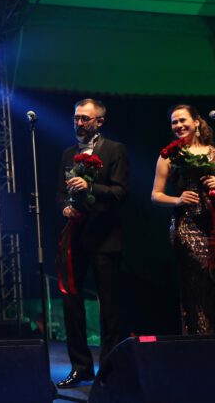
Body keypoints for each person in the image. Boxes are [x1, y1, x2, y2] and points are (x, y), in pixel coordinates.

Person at [151, 104, 215, 335]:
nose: (178, 125)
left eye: (182, 120)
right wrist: (177, 200)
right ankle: (201, 338)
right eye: (174, 122)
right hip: (188, 225)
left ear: (196, 122)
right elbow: (155, 195)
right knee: (197, 283)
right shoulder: (168, 155)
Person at [55, 99, 128, 389]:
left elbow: (121, 192)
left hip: (105, 237)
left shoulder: (114, 150)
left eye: (85, 118)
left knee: (109, 305)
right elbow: (60, 193)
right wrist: (65, 207)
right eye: (76, 118)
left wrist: (91, 187)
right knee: (70, 302)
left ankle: (110, 368)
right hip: (76, 237)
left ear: (99, 121)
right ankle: (81, 367)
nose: (79, 123)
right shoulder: (68, 153)